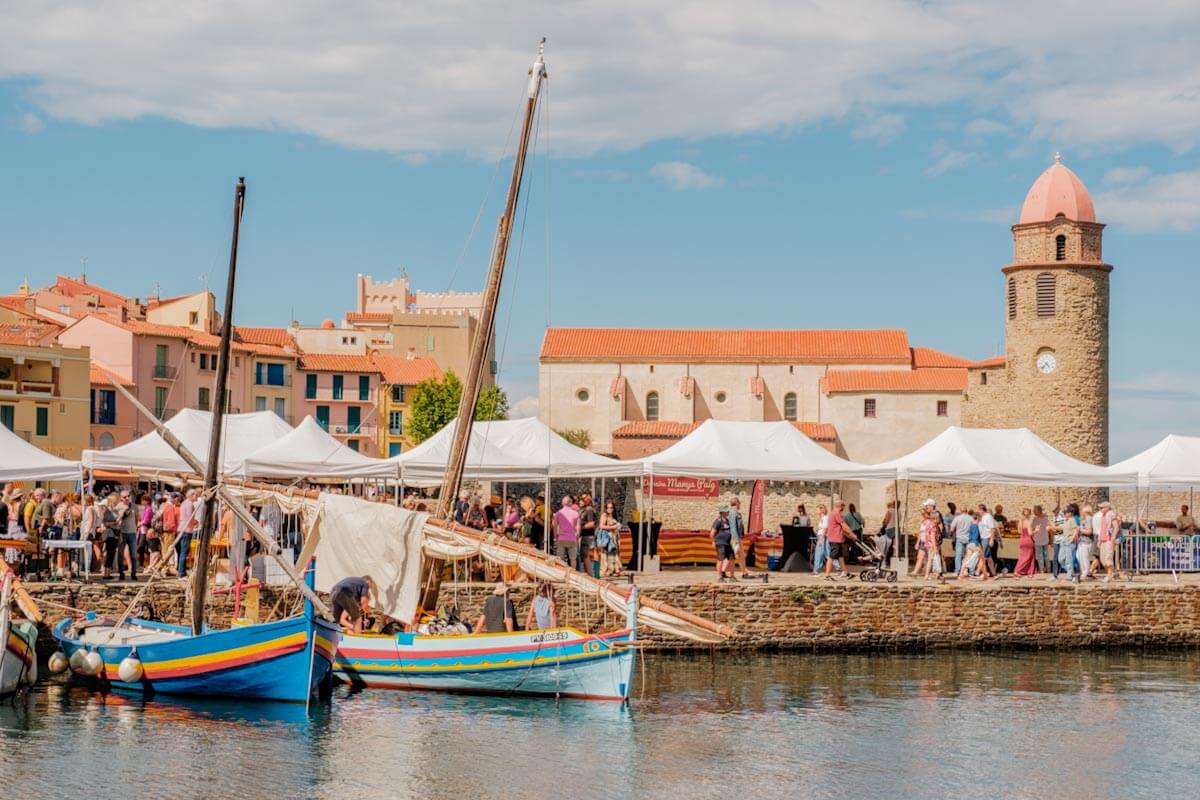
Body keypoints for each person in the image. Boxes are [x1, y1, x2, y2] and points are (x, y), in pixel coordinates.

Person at [177, 488, 201, 578]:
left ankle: (180, 571)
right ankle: (181, 573)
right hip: (186, 530)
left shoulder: (184, 503)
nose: (197, 497)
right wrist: (196, 522)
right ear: (192, 495)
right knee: (184, 552)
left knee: (182, 552)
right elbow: (189, 518)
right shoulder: (190, 504)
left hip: (182, 528)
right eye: (196, 495)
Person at [115, 490, 139, 581]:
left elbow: (137, 518)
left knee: (133, 554)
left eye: (128, 496)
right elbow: (116, 521)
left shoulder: (134, 506)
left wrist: (135, 528)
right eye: (125, 497)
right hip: (122, 533)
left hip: (132, 532)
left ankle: (133, 573)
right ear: (121, 498)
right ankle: (121, 573)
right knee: (120, 554)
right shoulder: (118, 507)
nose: (127, 498)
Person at [552, 495, 580, 568]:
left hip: (561, 538)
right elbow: (578, 527)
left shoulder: (558, 513)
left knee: (560, 558)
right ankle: (573, 574)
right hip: (572, 539)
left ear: (562, 503)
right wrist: (577, 536)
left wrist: (555, 537)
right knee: (573, 559)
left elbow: (555, 527)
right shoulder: (576, 513)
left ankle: (561, 574)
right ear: (570, 503)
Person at [597, 500, 622, 577]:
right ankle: (605, 571)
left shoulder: (613, 516)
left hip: (614, 537)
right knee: (606, 554)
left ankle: (614, 570)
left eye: (611, 507)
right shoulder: (604, 515)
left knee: (613, 554)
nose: (610, 509)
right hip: (607, 538)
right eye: (608, 508)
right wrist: (613, 527)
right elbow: (601, 526)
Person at [1095, 501, 1118, 582]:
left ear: (1107, 508)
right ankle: (1114, 572)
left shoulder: (1111, 515)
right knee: (1103, 559)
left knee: (1108, 558)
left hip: (1108, 539)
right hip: (1103, 540)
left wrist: (1113, 538)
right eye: (1100, 508)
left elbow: (1116, 527)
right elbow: (1101, 529)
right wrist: (1099, 540)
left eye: (1102, 507)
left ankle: (1109, 575)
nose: (1100, 509)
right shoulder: (1102, 517)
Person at [729, 496, 751, 579]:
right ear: (737, 503)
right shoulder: (733, 513)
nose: (740, 504)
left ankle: (744, 572)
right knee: (734, 555)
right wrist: (736, 539)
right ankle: (723, 571)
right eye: (739, 503)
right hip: (735, 538)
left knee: (740, 555)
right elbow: (733, 526)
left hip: (738, 537)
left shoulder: (736, 513)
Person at [711, 505, 735, 581]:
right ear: (722, 512)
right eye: (726, 511)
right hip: (720, 543)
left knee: (731, 558)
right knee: (720, 559)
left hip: (728, 543)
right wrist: (713, 541)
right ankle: (719, 577)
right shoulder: (718, 521)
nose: (728, 512)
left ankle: (732, 576)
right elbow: (712, 533)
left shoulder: (727, 521)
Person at [1057, 503, 1080, 582]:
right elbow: (1062, 528)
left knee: (1069, 560)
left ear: (1070, 513)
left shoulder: (1072, 519)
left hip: (1069, 542)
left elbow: (1077, 529)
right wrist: (1052, 527)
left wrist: (1072, 539)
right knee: (1060, 559)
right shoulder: (1065, 520)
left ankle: (1070, 575)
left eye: (1066, 513)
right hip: (1064, 542)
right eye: (1064, 513)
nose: (1065, 514)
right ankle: (1072, 573)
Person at [578, 493, 598, 576]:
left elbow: (592, 523)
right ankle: (590, 574)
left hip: (588, 536)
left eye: (582, 500)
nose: (579, 502)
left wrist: (580, 527)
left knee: (585, 555)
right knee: (585, 555)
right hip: (585, 536)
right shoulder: (585, 510)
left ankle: (590, 575)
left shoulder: (589, 510)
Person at [951, 504, 973, 575]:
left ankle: (957, 570)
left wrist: (952, 533)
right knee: (968, 555)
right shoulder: (971, 518)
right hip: (968, 538)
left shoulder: (957, 518)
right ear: (966, 511)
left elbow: (952, 529)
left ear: (960, 511)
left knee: (958, 555)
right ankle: (967, 570)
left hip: (959, 538)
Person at [1014, 508, 1036, 576]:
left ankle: (1023, 571)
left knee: (1023, 556)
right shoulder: (1028, 522)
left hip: (1022, 539)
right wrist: (1036, 531)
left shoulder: (1020, 521)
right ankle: (1018, 570)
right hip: (1028, 540)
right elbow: (1030, 533)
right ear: (1029, 514)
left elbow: (1019, 531)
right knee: (1029, 556)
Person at [978, 504, 997, 578]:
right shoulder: (982, 518)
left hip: (986, 538)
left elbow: (992, 529)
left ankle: (977, 571)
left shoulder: (988, 517)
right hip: (982, 538)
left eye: (979, 510)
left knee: (984, 556)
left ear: (982, 510)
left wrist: (991, 540)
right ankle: (993, 572)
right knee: (988, 557)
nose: (978, 512)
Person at [1076, 504, 1095, 580]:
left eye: (1082, 511)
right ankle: (1084, 572)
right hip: (1082, 541)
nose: (1081, 512)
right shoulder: (1084, 519)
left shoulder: (1089, 519)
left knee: (1084, 558)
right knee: (1079, 556)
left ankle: (1085, 573)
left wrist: (1080, 530)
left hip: (1086, 541)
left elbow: (1089, 531)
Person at [1031, 505, 1050, 574]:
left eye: (1034, 510)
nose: (1033, 512)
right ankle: (1048, 569)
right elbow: (1048, 527)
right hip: (1045, 538)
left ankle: (1042, 569)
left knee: (1040, 555)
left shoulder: (1035, 519)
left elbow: (1032, 528)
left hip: (1038, 539)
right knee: (1046, 555)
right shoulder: (1046, 518)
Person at [812, 504, 829, 574]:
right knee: (827, 553)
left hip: (822, 536)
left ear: (821, 510)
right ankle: (839, 568)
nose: (817, 511)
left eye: (817, 509)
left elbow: (825, 528)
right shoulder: (823, 518)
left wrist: (821, 538)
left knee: (819, 553)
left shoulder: (825, 518)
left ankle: (816, 569)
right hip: (822, 536)